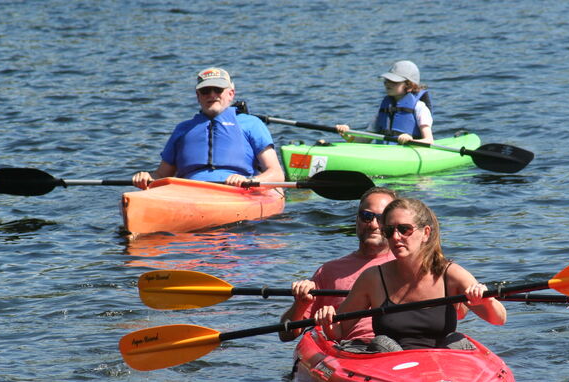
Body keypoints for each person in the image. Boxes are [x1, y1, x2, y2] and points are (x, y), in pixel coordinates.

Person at [314, 197, 506, 351]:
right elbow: (339, 331)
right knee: (381, 343)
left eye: (404, 229)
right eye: (389, 231)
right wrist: (328, 320)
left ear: (426, 233)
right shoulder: (373, 278)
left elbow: (499, 319)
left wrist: (484, 301)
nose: (396, 237)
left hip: (441, 365)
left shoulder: (451, 274)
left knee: (458, 341)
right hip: (390, 363)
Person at [132, 67, 285, 189]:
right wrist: (146, 177)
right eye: (205, 91)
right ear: (198, 96)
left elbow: (276, 174)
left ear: (231, 94)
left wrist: (249, 180)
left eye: (218, 90)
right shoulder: (183, 129)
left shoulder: (251, 124)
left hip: (238, 190)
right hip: (188, 191)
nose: (212, 95)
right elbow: (161, 174)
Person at [279, 187, 398, 342]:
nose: (374, 225)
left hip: (397, 350)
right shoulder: (329, 271)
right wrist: (301, 304)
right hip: (349, 351)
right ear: (357, 219)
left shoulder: (407, 266)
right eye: (367, 216)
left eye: (382, 218)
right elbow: (286, 335)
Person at [335, 60, 434, 145]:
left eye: (394, 81)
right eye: (387, 80)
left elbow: (429, 140)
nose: (387, 83)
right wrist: (347, 135)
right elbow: (365, 140)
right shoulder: (384, 108)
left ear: (410, 86)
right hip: (385, 151)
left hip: (410, 150)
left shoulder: (420, 108)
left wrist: (410, 140)